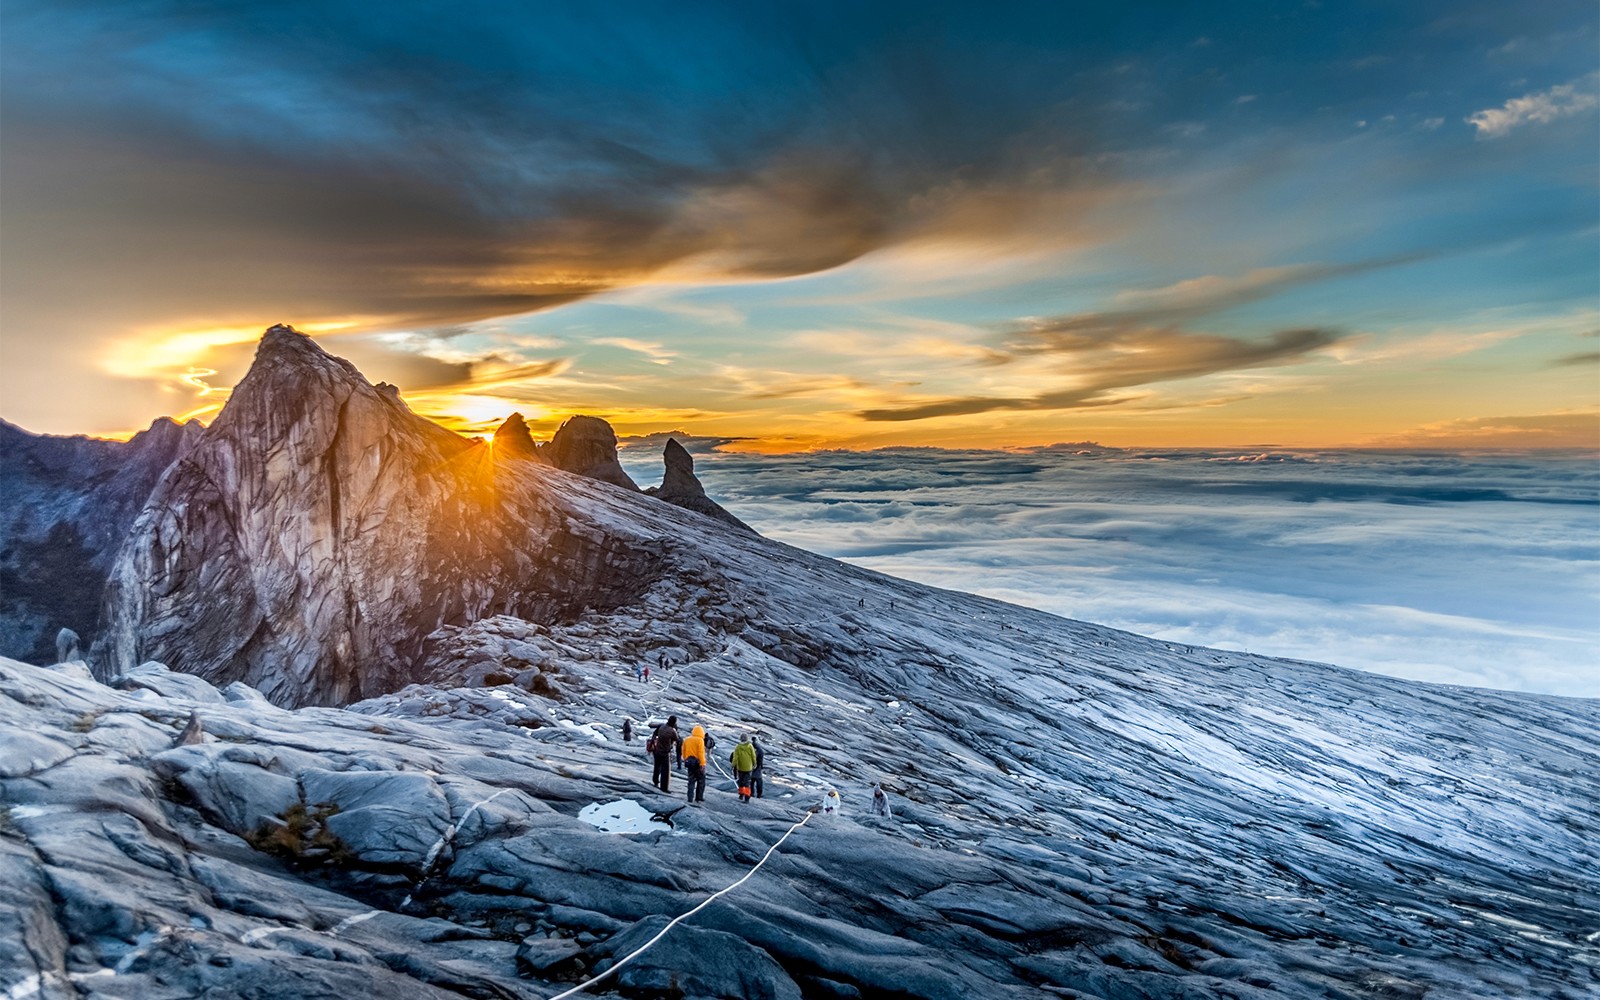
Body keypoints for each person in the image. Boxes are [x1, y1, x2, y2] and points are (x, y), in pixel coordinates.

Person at [649, 716, 680, 793]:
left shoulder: (661, 726)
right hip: (665, 752)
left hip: (657, 750)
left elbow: (655, 734)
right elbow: (677, 740)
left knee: (657, 767)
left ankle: (655, 781)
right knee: (665, 770)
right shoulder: (672, 731)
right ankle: (664, 788)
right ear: (674, 722)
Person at [681, 725, 708, 804]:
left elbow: (683, 750)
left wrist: (685, 758)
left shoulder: (687, 739)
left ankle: (690, 798)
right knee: (701, 780)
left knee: (691, 780)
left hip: (689, 762)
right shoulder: (700, 740)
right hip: (697, 763)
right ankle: (699, 797)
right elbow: (701, 753)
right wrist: (703, 764)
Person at [730, 736, 757, 803]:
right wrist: (754, 763)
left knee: (741, 781)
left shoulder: (738, 747)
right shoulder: (750, 746)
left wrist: (733, 765)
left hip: (741, 767)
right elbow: (753, 756)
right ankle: (747, 798)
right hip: (748, 767)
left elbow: (735, 758)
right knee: (747, 783)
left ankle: (741, 795)